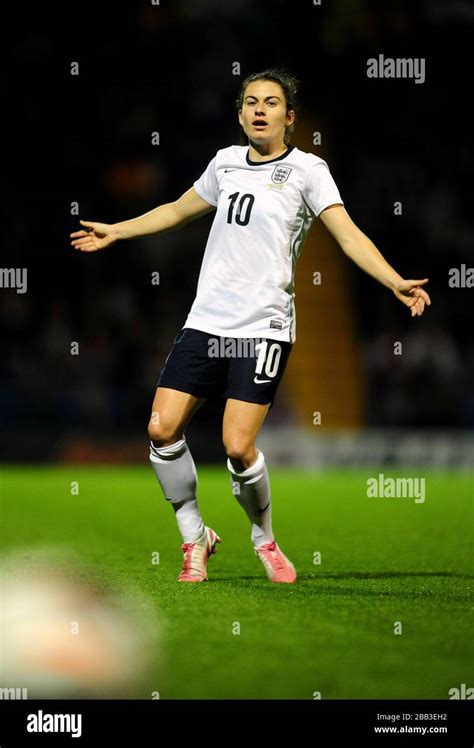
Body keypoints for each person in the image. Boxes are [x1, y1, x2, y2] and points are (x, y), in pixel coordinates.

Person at [70, 67, 431, 585]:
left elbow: (348, 236)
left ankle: (264, 539)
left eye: (271, 102)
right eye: (251, 102)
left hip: (263, 326)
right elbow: (177, 211)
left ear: (290, 116)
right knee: (160, 428)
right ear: (240, 114)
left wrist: (393, 280)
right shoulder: (225, 164)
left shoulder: (309, 170)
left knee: (238, 446)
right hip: (206, 322)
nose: (260, 110)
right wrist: (117, 231)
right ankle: (195, 535)